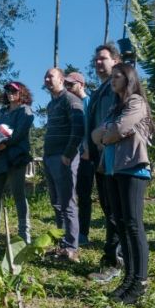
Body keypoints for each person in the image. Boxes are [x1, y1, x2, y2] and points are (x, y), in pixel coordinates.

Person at [91, 63, 152, 304]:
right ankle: (128, 280)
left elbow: (121, 128)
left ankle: (140, 281)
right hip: (113, 169)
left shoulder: (136, 102)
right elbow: (97, 134)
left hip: (133, 168)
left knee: (134, 225)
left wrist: (108, 133)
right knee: (122, 225)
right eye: (113, 76)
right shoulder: (115, 108)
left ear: (129, 79)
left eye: (118, 76)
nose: (113, 79)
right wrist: (109, 133)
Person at [87, 43, 123, 282]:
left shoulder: (121, 87)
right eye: (96, 60)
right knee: (109, 209)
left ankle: (116, 261)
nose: (98, 63)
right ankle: (112, 257)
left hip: (117, 157)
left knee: (117, 211)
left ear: (116, 61)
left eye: (103, 59)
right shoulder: (101, 90)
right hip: (101, 158)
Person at [0, 81, 34, 244]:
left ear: (21, 92)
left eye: (13, 90)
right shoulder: (1, 112)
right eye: (7, 90)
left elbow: (19, 133)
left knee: (18, 194)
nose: (9, 92)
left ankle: (23, 235)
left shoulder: (24, 110)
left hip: (16, 158)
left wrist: (1, 144)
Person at [43, 68, 84, 262]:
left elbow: (78, 129)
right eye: (46, 76)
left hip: (63, 158)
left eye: (51, 76)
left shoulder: (70, 99)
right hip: (50, 157)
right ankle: (62, 243)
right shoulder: (52, 104)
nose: (47, 79)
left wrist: (68, 154)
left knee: (67, 203)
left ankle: (71, 247)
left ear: (61, 79)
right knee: (57, 203)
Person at [64, 72, 92, 246]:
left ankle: (83, 233)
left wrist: (88, 149)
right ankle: (70, 231)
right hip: (73, 155)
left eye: (71, 85)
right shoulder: (70, 104)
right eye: (66, 85)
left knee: (84, 195)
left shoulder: (88, 102)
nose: (68, 88)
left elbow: (90, 127)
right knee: (71, 194)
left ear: (81, 85)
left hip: (87, 155)